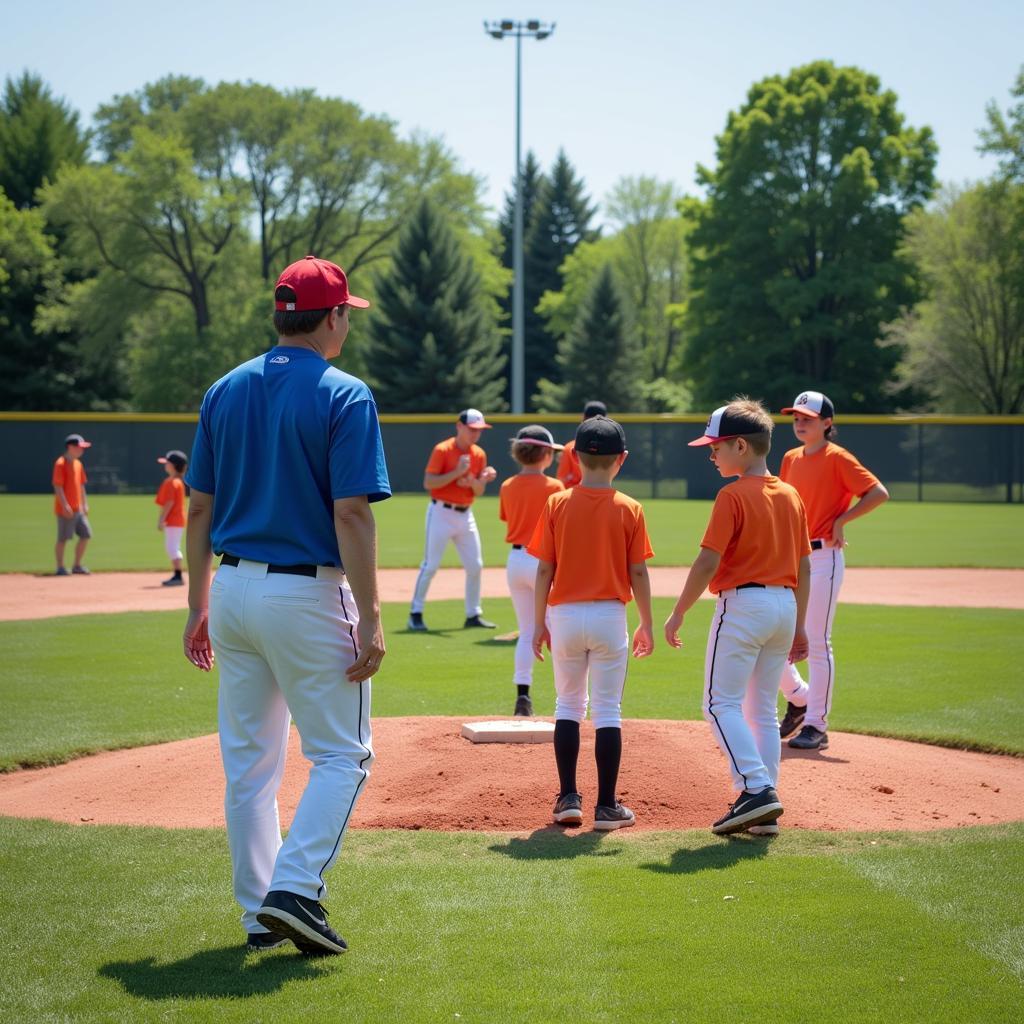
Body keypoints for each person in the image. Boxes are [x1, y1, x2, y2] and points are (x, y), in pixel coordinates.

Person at [182, 255, 390, 956]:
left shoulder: (224, 388)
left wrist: (197, 602)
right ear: (331, 317)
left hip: (233, 589)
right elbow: (353, 514)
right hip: (306, 591)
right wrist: (373, 614)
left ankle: (257, 913)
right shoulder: (344, 392)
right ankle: (295, 889)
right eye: (346, 314)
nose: (346, 325)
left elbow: (201, 505)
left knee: (249, 766)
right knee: (344, 755)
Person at [664, 399, 810, 836]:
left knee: (718, 704)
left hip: (743, 607)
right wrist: (800, 624)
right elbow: (804, 566)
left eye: (716, 447)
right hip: (784, 605)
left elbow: (708, 561)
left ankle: (756, 789)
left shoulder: (732, 495)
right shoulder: (790, 494)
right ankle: (765, 810)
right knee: (762, 709)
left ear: (741, 447)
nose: (711, 455)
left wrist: (678, 612)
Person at [530, 415, 654, 830]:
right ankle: (606, 806)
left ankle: (568, 798)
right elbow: (638, 572)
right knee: (607, 709)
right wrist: (647, 624)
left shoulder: (557, 502)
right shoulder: (630, 508)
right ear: (622, 459)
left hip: (563, 614)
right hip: (609, 614)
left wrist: (537, 623)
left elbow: (544, 569)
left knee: (567, 704)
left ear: (574, 456)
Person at [775, 391, 889, 751]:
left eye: (808, 417)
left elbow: (878, 492)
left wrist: (844, 518)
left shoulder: (837, 458)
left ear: (827, 423)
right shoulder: (790, 458)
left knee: (817, 641)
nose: (800, 422)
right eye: (796, 417)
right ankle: (798, 697)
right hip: (790, 557)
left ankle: (816, 725)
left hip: (823, 557)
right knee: (775, 634)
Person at [407, 409, 498, 632]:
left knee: (475, 566)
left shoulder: (479, 454)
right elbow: (429, 483)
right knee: (431, 565)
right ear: (459, 426)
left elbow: (478, 491)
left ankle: (473, 614)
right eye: (472, 429)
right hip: (441, 512)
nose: (476, 434)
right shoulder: (443, 449)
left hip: (466, 514)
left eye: (479, 430)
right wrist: (457, 472)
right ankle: (415, 614)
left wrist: (480, 481)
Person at [498, 425, 564, 717]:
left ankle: (522, 697)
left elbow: (507, 518)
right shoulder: (554, 487)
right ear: (545, 453)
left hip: (515, 561)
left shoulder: (508, 485)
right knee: (557, 630)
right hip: (543, 563)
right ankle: (568, 698)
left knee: (527, 631)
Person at [52, 432, 93, 576]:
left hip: (79, 509)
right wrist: (64, 505)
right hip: (66, 509)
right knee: (63, 539)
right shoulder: (60, 464)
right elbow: (58, 486)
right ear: (70, 447)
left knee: (86, 535)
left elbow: (81, 485)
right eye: (79, 447)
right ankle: (60, 567)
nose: (82, 450)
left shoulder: (78, 464)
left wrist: (85, 504)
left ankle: (77, 565)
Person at [155, 450, 188, 586]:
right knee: (173, 547)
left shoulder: (171, 482)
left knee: (172, 547)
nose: (165, 465)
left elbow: (169, 503)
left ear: (173, 465)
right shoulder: (178, 482)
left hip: (173, 520)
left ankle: (178, 575)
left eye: (167, 463)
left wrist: (161, 519)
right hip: (177, 520)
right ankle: (177, 575)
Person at [557, 400, 607, 489]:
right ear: (606, 420)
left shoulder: (570, 447)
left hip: (574, 497)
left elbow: (562, 478)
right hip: (601, 494)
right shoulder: (610, 446)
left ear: (583, 418)